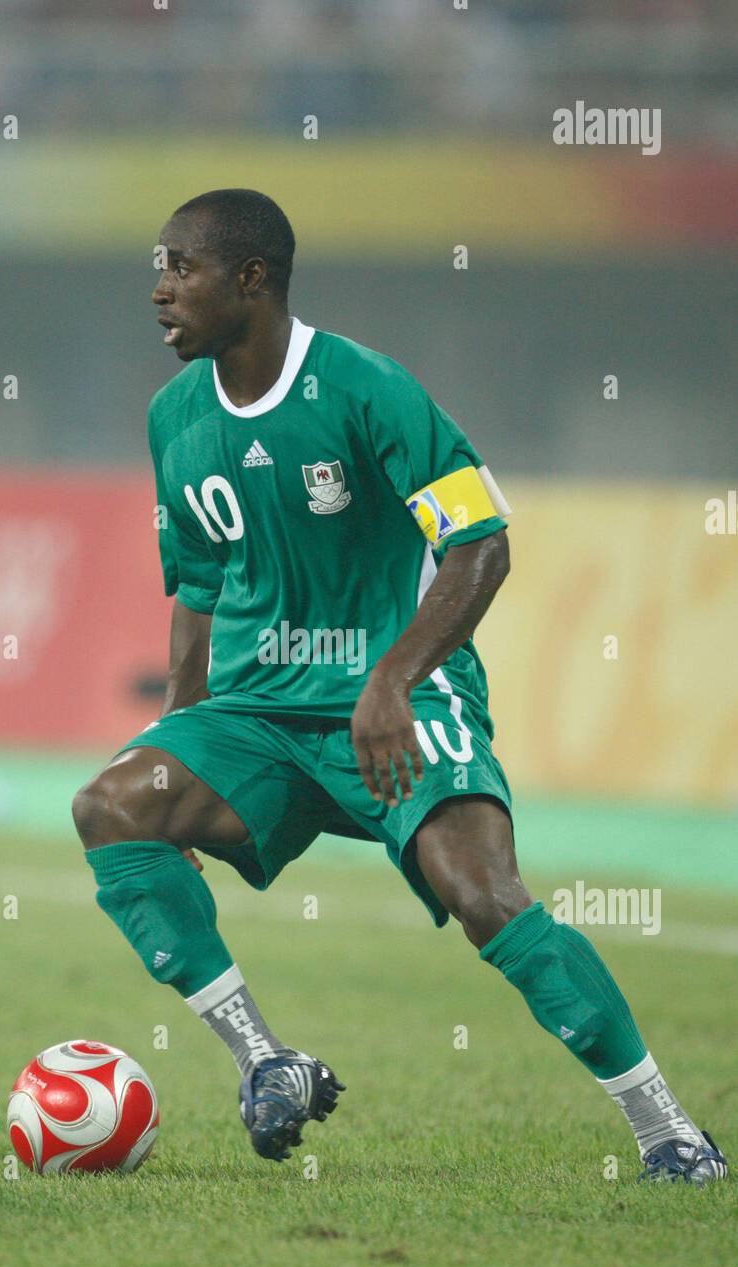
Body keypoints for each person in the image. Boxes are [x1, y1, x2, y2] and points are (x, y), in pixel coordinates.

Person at [73, 188, 725, 1182]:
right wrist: (176, 745)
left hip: (401, 703)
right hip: (258, 715)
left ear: (250, 279)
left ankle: (668, 1131)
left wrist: (393, 674)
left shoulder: (367, 389)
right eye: (156, 270)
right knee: (112, 805)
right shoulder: (175, 418)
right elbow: (199, 591)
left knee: (485, 896)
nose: (159, 291)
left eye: (179, 268)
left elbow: (481, 545)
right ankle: (265, 1061)